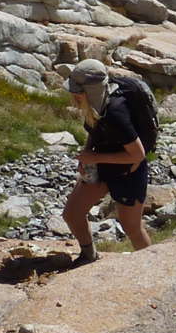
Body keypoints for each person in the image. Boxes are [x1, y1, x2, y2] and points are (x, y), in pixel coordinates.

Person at [61, 59, 151, 263]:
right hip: (102, 168)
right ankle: (88, 256)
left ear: (89, 91)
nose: (73, 96)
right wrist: (87, 153)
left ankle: (151, 268)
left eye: (77, 92)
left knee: (132, 228)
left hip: (128, 173)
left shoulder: (116, 113)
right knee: (72, 213)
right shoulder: (96, 104)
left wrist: (94, 157)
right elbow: (95, 131)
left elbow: (138, 154)